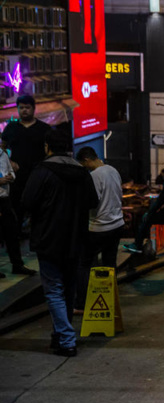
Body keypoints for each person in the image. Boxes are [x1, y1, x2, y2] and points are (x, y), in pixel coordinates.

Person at [22, 129, 99, 357]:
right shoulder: (82, 173)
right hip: (76, 238)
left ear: (48, 147)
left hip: (48, 238)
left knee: (54, 289)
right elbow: (92, 201)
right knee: (68, 289)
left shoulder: (42, 171)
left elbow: (27, 201)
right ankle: (59, 336)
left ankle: (66, 339)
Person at [74, 147, 125, 313]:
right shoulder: (113, 170)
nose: (85, 168)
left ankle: (81, 304)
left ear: (87, 160)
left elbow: (91, 201)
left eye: (84, 164)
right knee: (110, 263)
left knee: (84, 264)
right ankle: (111, 299)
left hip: (98, 226)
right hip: (117, 224)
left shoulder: (94, 176)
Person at [0, 95, 51, 247]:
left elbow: (50, 151)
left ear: (34, 109)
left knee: (38, 209)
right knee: (16, 208)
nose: (24, 111)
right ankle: (16, 238)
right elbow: (2, 148)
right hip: (17, 177)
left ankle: (38, 239)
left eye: (27, 107)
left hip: (38, 175)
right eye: (21, 108)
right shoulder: (12, 128)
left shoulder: (44, 129)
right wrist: (9, 161)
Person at [1, 146, 34, 277]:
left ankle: (17, 264)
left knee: (12, 232)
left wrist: (10, 177)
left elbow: (11, 171)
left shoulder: (3, 155)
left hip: (5, 198)